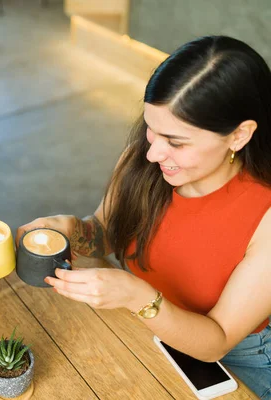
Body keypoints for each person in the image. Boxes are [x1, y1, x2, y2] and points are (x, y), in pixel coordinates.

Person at [17, 35, 271, 398]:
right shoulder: (145, 157)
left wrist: (140, 298)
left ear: (239, 135)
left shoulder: (265, 215)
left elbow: (217, 342)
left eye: (176, 141)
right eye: (152, 129)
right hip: (142, 325)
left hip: (236, 361)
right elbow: (104, 231)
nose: (152, 153)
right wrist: (73, 229)